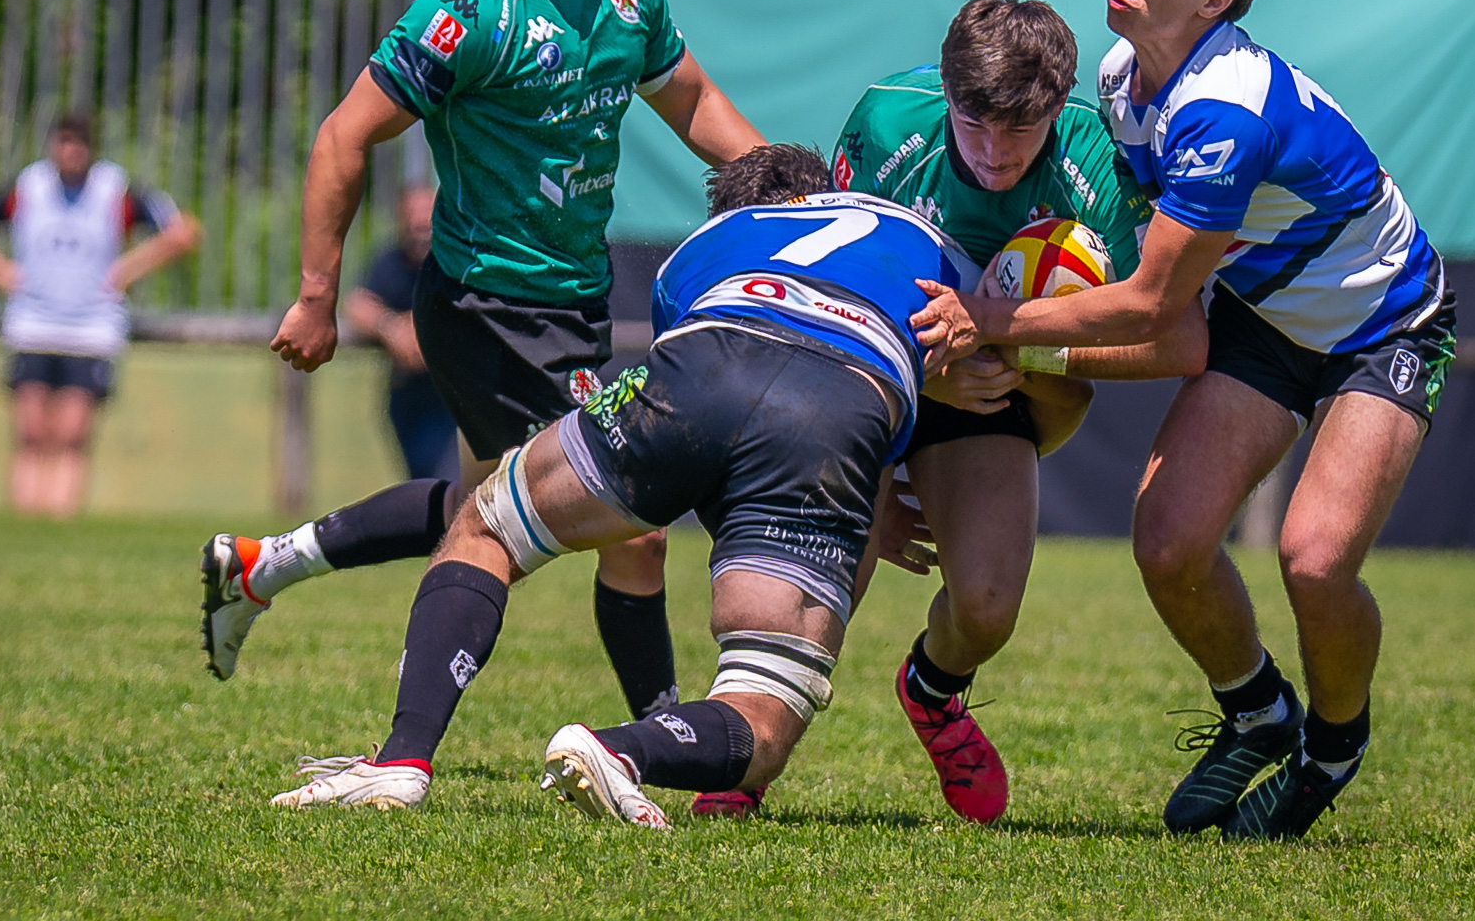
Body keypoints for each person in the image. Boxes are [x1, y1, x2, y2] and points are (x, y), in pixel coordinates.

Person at [199, 0, 764, 740]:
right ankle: (657, 740)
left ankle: (261, 566)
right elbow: (342, 138)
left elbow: (695, 100)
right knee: (629, 520)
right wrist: (316, 297)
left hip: (576, 295)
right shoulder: (469, 13)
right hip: (486, 304)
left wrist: (785, 193)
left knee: (482, 503)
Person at [912, 0, 1455, 840]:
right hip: (1266, 316)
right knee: (1168, 544)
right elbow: (1158, 291)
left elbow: (1156, 302)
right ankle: (1256, 712)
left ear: (1216, 1)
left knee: (1315, 562)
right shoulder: (1124, 80)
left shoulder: (1219, 114)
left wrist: (993, 323)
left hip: (1386, 323)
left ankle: (1331, 747)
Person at [267, 144, 976, 820]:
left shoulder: (699, 252)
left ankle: (402, 760)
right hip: (838, 412)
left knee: (487, 526)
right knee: (763, 708)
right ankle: (618, 749)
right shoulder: (933, 245)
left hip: (706, 362)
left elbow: (702, 392)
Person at [832, 0, 1206, 823]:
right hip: (878, 377)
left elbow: (1182, 344)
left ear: (1056, 106)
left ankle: (932, 691)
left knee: (988, 610)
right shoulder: (888, 122)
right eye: (975, 125)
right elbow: (828, 302)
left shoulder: (1097, 161)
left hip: (998, 386)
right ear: (948, 91)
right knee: (825, 581)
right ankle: (740, 749)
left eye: (1020, 130)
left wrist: (1004, 345)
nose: (996, 154)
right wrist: (912, 404)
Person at [0, 114, 201, 516]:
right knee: (30, 434)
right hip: (32, 325)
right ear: (52, 146)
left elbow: (183, 231)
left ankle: (59, 522)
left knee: (71, 436)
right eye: (65, 142)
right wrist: (1, 272)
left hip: (91, 331)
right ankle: (26, 522)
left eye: (79, 143)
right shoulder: (27, 188)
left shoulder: (116, 191)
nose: (72, 151)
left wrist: (128, 269)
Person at [343, 184, 460, 481]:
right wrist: (390, 327)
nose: (420, 224)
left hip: (457, 400)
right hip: (411, 399)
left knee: (451, 484)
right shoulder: (392, 262)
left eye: (427, 216)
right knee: (424, 485)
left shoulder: (457, 262)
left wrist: (428, 330)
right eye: (412, 217)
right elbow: (356, 303)